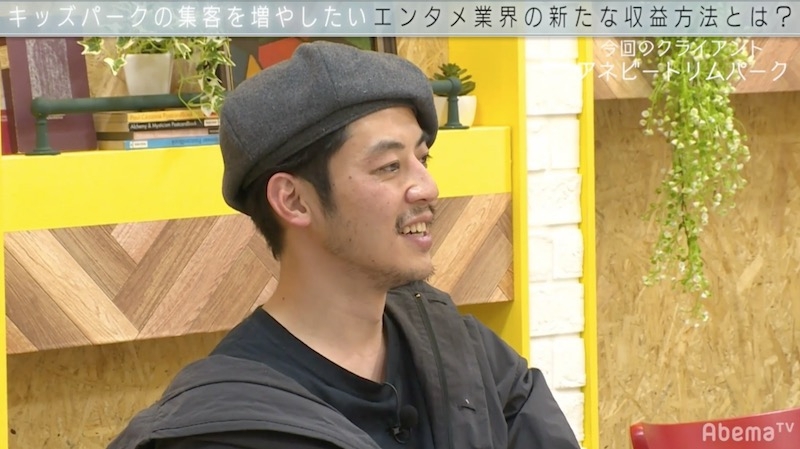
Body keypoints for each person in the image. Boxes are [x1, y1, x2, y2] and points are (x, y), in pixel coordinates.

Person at [107, 41, 581, 449]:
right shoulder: (225, 430)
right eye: (389, 167)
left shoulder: (470, 359)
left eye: (423, 159)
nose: (427, 188)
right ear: (293, 200)